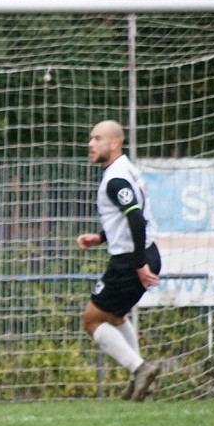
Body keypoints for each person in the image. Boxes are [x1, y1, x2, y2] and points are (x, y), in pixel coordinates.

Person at [76, 119, 162, 402]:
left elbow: (136, 219)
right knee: (114, 317)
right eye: (91, 138)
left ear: (114, 143)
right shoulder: (126, 170)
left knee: (91, 320)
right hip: (145, 252)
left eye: (97, 139)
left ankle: (139, 369)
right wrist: (101, 237)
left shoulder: (115, 178)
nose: (91, 144)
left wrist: (137, 263)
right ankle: (139, 378)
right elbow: (131, 217)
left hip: (130, 259)